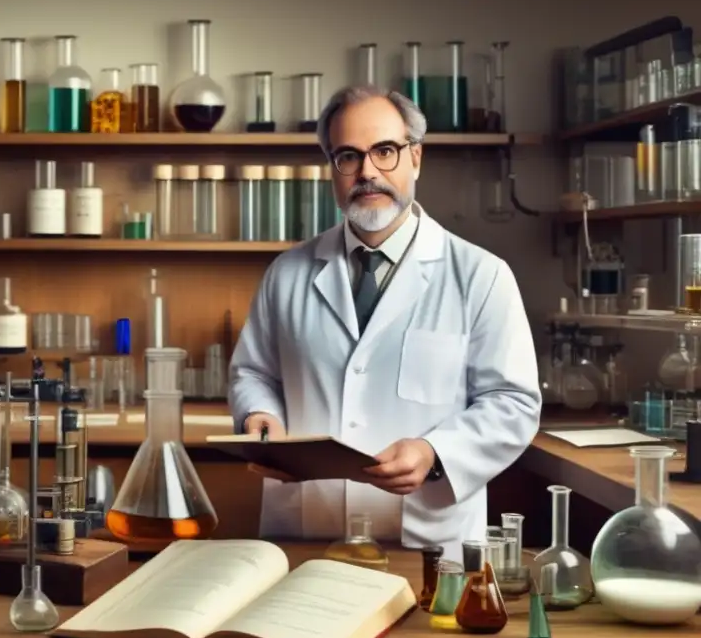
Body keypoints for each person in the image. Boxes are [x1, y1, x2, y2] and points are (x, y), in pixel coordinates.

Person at [227, 86, 541, 561]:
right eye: (348, 156)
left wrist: (435, 453)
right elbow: (254, 373)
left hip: (426, 539)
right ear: (331, 168)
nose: (367, 171)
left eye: (385, 151)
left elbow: (514, 402)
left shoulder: (481, 275)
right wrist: (258, 416)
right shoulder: (287, 272)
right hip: (307, 531)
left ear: (415, 157)